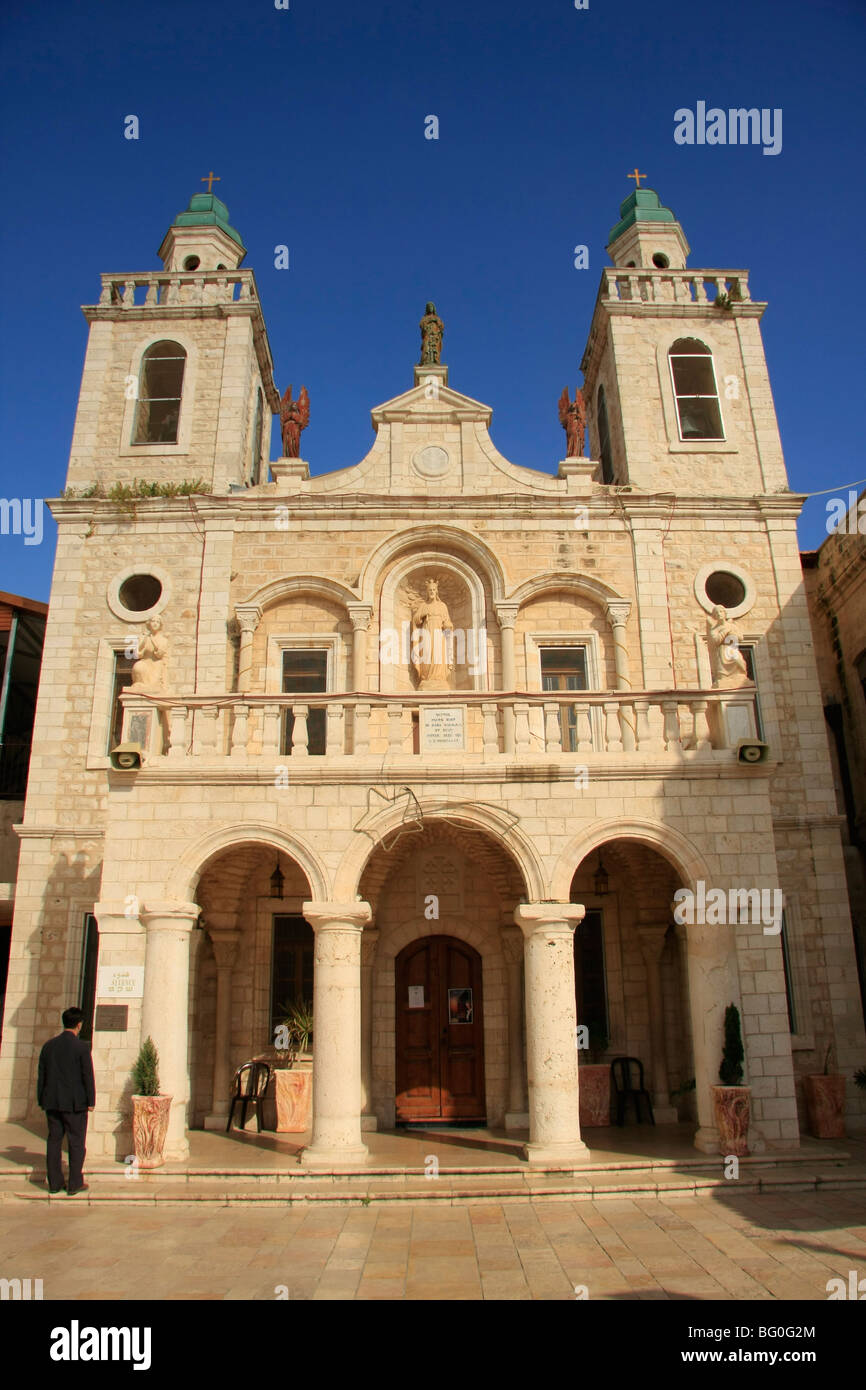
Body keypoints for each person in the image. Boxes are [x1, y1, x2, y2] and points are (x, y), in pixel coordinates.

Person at [37, 1006, 96, 1195]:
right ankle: (75, 1183)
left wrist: (42, 1099)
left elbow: (42, 1076)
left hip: (52, 1102)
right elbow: (87, 1075)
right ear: (79, 1025)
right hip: (74, 1103)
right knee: (76, 1142)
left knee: (54, 1141)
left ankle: (54, 1183)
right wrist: (91, 1100)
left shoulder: (49, 1046)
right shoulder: (81, 1047)